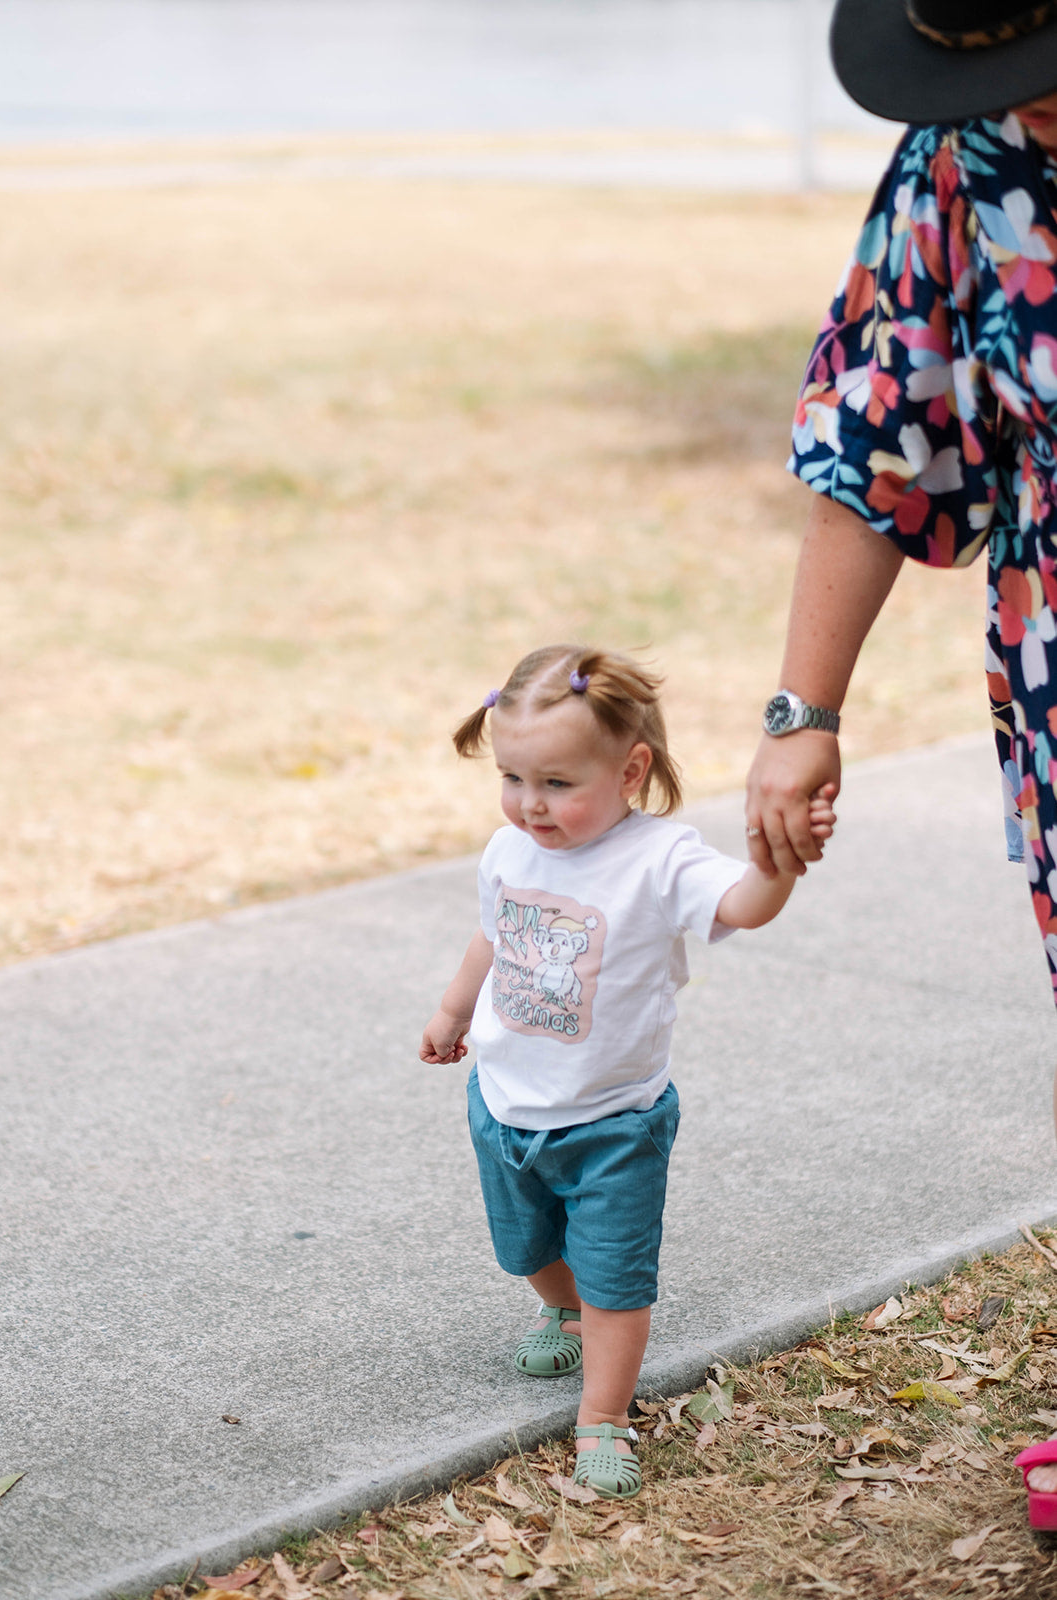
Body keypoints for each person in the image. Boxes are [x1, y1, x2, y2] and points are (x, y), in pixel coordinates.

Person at [742, 0, 1057, 1525]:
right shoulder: (961, 166)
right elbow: (876, 444)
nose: (1025, 106)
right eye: (990, 77)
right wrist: (800, 717)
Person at [419, 644, 835, 1499]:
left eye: (557, 784)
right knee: (526, 1248)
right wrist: (454, 1010)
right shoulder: (508, 849)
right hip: (503, 1105)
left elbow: (741, 906)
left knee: (616, 1276)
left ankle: (602, 1415)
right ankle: (558, 1307)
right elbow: (492, 934)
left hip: (613, 1122)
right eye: (512, 778)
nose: (529, 805)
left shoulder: (660, 858)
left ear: (630, 768)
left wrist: (777, 861)